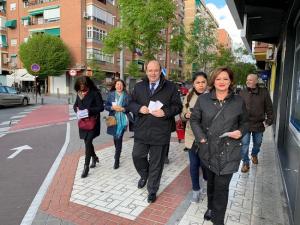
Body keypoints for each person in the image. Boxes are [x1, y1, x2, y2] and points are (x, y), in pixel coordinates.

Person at [190, 67, 248, 225]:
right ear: (213, 81)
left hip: (230, 151)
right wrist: (201, 138)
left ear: (231, 81)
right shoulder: (203, 100)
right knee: (212, 182)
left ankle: (218, 220)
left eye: (225, 79)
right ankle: (210, 207)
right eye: (218, 79)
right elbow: (194, 120)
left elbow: (245, 122)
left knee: (222, 188)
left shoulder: (238, 101)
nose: (222, 82)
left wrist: (240, 131)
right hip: (208, 148)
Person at [128, 60, 182, 203]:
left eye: (156, 70)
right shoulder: (139, 87)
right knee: (137, 156)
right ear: (146, 71)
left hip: (160, 131)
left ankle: (152, 189)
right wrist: (139, 108)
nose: (153, 73)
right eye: (150, 70)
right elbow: (130, 103)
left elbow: (178, 106)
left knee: (156, 163)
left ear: (161, 71)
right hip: (142, 130)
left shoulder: (170, 87)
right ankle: (145, 175)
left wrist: (164, 112)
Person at [181, 71, 208, 203]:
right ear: (194, 84)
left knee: (205, 164)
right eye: (198, 82)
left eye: (203, 82)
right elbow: (182, 114)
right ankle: (195, 190)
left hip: (206, 137)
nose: (201, 85)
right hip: (191, 136)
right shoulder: (189, 96)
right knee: (194, 164)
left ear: (207, 83)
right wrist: (186, 116)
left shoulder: (212, 96)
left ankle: (206, 182)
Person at [239, 73, 274, 173]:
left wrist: (268, 121)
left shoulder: (264, 92)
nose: (247, 82)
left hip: (258, 124)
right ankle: (245, 163)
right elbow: (237, 108)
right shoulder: (242, 92)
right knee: (244, 144)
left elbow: (269, 108)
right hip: (245, 124)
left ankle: (254, 154)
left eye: (250, 80)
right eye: (247, 80)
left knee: (257, 143)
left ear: (256, 81)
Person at [73, 76, 104, 178]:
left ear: (88, 84)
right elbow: (75, 105)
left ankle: (86, 166)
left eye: (84, 85)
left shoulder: (95, 93)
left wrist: (89, 111)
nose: (82, 87)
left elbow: (101, 108)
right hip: (83, 122)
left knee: (88, 142)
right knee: (88, 142)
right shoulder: (79, 94)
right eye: (80, 85)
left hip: (92, 122)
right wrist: (77, 110)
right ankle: (94, 157)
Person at [105, 79, 130, 169]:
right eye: (117, 84)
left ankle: (117, 159)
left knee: (119, 138)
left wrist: (123, 109)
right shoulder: (111, 95)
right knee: (115, 138)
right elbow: (106, 106)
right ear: (115, 86)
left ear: (123, 86)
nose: (119, 86)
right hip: (112, 118)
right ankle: (117, 152)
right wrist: (112, 107)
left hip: (123, 120)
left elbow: (130, 107)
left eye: (121, 84)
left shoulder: (127, 96)